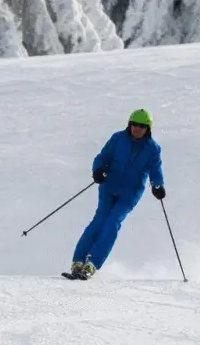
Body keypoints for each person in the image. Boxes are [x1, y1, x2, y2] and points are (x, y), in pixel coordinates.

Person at [66, 109, 164, 280]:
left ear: (148, 128)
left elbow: (155, 170)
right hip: (108, 186)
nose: (137, 129)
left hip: (130, 193)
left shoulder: (152, 149)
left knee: (112, 223)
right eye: (135, 124)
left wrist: (157, 185)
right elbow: (103, 157)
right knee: (99, 220)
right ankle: (78, 261)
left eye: (142, 126)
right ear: (129, 124)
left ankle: (92, 264)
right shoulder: (118, 139)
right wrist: (98, 170)